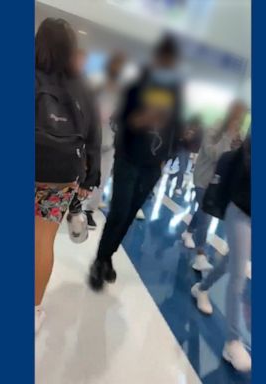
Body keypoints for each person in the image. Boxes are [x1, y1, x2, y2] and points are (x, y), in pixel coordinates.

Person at [89, 35, 183, 291]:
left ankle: (106, 256)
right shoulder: (138, 83)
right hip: (129, 157)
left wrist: (167, 157)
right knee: (119, 211)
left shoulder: (175, 91)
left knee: (130, 215)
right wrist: (138, 120)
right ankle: (99, 261)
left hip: (153, 165)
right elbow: (119, 118)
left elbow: (177, 126)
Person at [34, 18, 101, 332]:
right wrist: (91, 178)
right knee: (42, 240)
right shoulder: (82, 85)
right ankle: (32, 311)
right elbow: (94, 134)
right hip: (61, 174)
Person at [191, 137, 251, 372]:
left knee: (230, 262)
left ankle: (202, 288)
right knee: (237, 274)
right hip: (242, 212)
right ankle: (232, 341)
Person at [182, 102, 247, 271]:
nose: (239, 119)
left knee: (203, 210)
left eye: (242, 116)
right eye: (238, 115)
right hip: (203, 179)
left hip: (219, 183)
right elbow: (214, 154)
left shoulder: (238, 134)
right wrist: (228, 137)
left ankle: (188, 232)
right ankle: (200, 255)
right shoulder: (214, 129)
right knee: (206, 216)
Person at [82, 52, 126, 229]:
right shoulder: (96, 85)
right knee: (84, 173)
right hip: (90, 138)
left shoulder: (122, 92)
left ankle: (89, 211)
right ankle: (77, 205)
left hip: (111, 141)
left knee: (103, 178)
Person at [174, 116, 203, 195]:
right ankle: (178, 186)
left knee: (184, 167)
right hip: (181, 147)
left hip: (187, 149)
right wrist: (185, 136)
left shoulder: (198, 131)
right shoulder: (186, 126)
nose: (196, 127)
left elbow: (197, 143)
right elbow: (179, 136)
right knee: (183, 167)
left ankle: (173, 177)